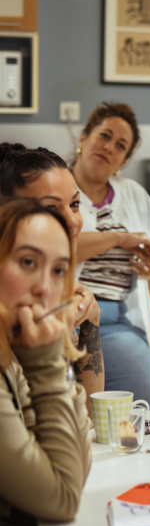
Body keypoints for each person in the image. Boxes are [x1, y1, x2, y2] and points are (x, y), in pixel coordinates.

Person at [0, 197, 92, 522]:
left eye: (58, 271)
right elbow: (63, 499)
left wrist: (59, 353)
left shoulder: (14, 350)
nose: (44, 288)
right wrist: (47, 364)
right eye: (28, 262)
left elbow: (76, 466)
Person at [72, 102, 150, 409]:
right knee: (68, 409)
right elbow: (54, 245)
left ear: (123, 161)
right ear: (84, 138)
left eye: (120, 146)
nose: (109, 147)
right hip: (61, 314)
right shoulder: (56, 185)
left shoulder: (134, 195)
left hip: (114, 321)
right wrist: (119, 238)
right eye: (104, 136)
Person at [0, 143, 105, 400]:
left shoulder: (55, 295)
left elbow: (91, 418)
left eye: (75, 204)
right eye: (50, 208)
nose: (72, 220)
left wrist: (91, 321)